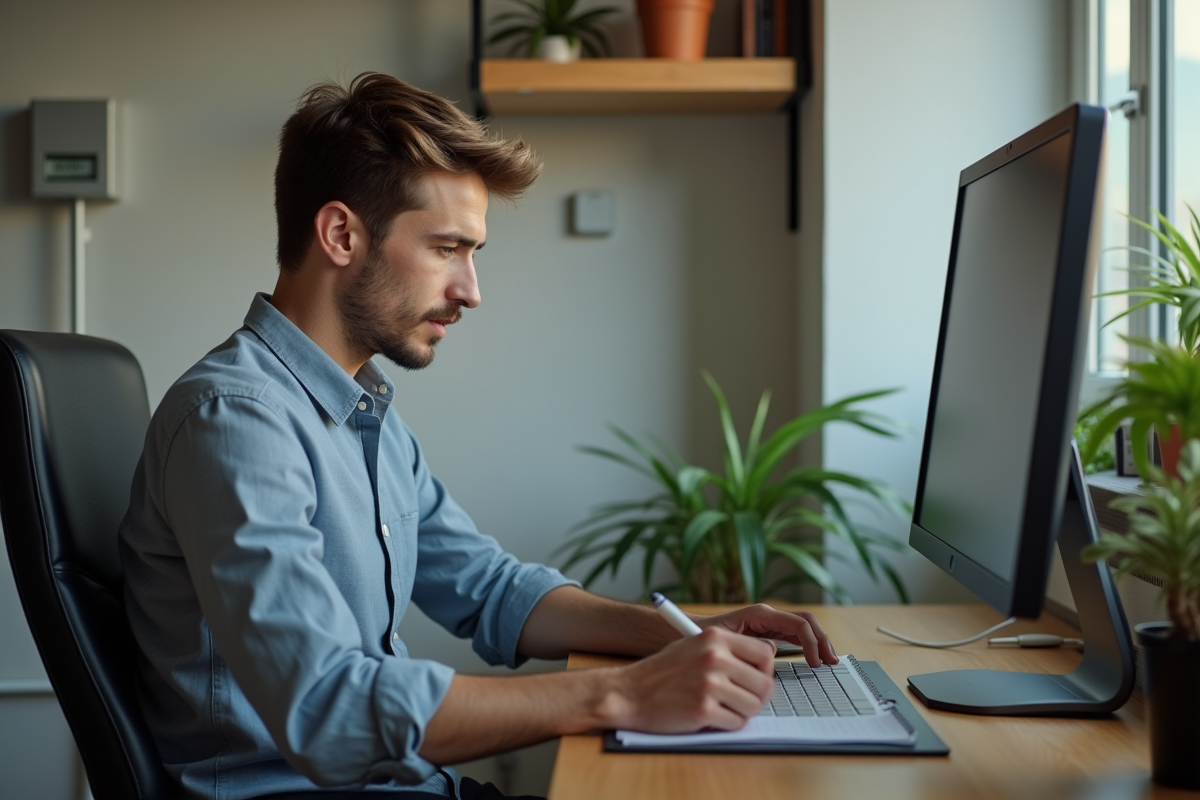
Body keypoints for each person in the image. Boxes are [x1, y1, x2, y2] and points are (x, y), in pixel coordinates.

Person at [119, 72, 838, 800]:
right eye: (447, 248)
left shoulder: (364, 412)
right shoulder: (236, 421)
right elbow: (329, 709)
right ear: (341, 235)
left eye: (473, 253)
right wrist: (624, 694)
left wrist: (689, 635)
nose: (470, 289)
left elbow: (492, 590)